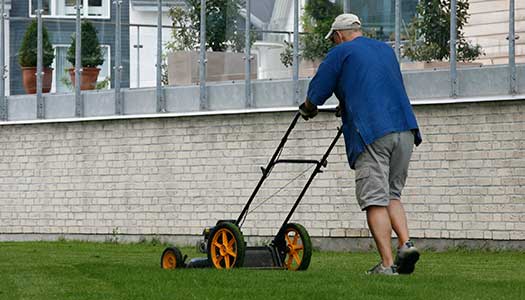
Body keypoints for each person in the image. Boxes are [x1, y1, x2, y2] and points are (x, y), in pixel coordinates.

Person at [299, 13, 422, 275]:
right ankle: (406, 244)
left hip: (372, 131)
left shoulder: (340, 52)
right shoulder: (384, 50)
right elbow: (375, 85)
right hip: (404, 128)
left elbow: (316, 92)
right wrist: (346, 102)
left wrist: (308, 109)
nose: (334, 43)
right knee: (392, 194)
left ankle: (387, 266)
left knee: (374, 200)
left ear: (339, 35)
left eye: (333, 38)